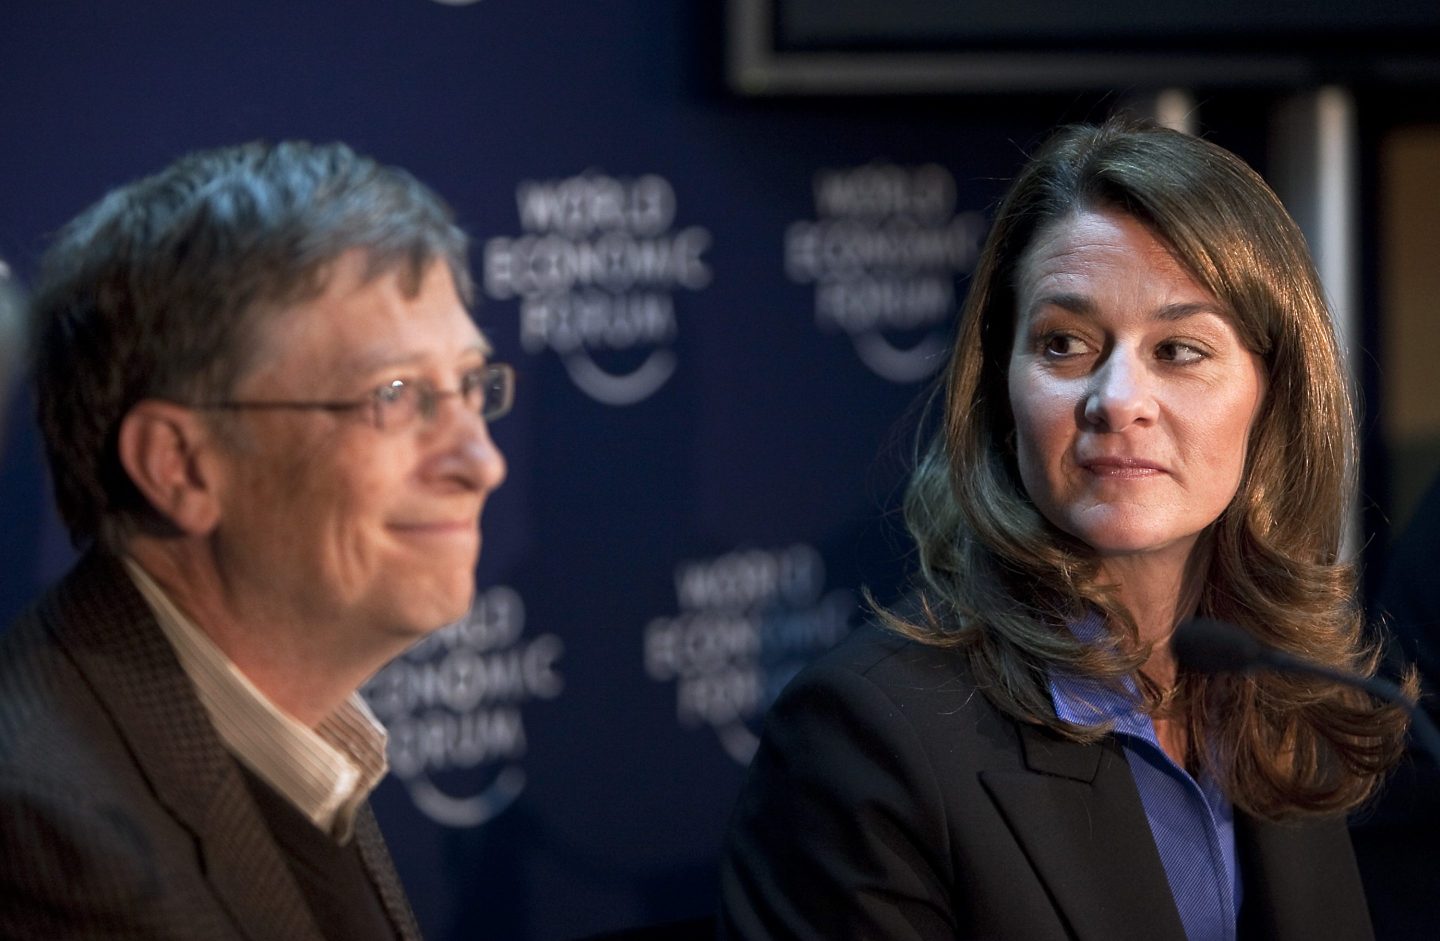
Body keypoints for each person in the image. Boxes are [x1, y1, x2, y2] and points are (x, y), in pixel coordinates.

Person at [719, 119, 1410, 940]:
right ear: (1002, 396)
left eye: (1180, 349)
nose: (1118, 398)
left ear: (1273, 399)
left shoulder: (1280, 694)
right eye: (1066, 344)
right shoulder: (864, 740)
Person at [0, 141, 512, 939]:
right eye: (395, 393)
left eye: (472, 387)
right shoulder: (47, 839)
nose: (481, 461)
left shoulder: (290, 730)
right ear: (181, 466)